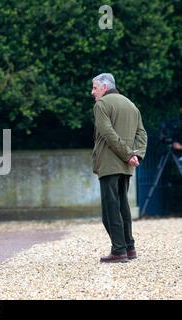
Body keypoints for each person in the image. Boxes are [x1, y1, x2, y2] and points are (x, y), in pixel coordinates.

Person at [91, 73, 148, 263]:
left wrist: (127, 154)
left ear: (105, 87)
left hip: (109, 163)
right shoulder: (131, 105)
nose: (93, 92)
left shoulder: (102, 105)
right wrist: (136, 154)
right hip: (126, 164)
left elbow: (107, 133)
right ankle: (130, 248)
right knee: (123, 205)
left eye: (95, 88)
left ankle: (119, 250)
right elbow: (142, 134)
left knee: (110, 209)